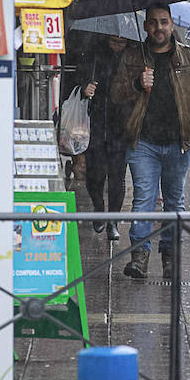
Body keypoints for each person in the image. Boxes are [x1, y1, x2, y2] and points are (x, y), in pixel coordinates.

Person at [111, 5, 190, 279]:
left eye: (164, 22)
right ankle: (139, 257)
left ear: (172, 25)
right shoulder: (133, 57)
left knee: (174, 201)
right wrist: (136, 83)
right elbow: (115, 94)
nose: (159, 28)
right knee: (143, 198)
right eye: (154, 23)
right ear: (145, 26)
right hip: (143, 141)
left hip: (179, 142)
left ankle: (170, 255)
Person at [78, 35, 129, 241]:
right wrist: (84, 88)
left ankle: (113, 220)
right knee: (95, 174)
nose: (117, 45)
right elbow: (75, 80)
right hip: (95, 124)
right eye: (114, 41)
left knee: (117, 177)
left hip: (121, 126)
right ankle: (99, 210)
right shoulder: (94, 54)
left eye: (122, 42)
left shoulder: (132, 58)